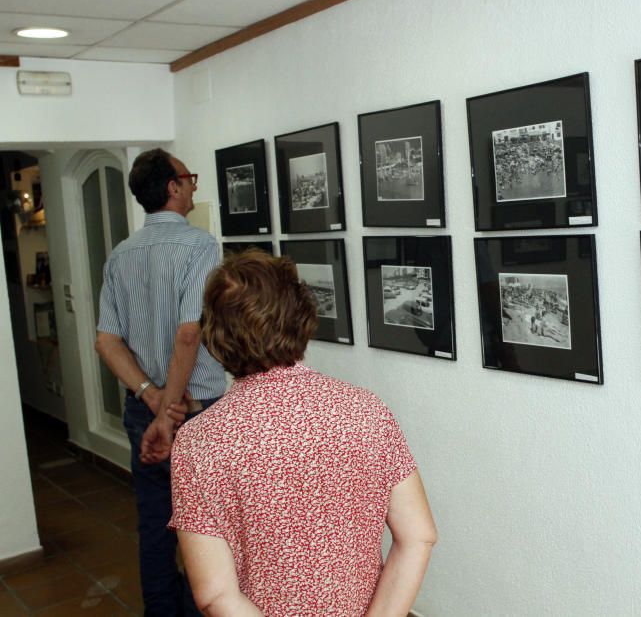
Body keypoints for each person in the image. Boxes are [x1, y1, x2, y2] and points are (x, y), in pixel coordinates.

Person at [169, 251, 437, 616]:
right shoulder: (367, 411)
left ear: (215, 335)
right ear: (304, 317)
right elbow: (418, 536)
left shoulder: (199, 442)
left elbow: (216, 595)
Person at [95, 148, 226, 615]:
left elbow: (106, 341)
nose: (193, 185)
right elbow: (189, 331)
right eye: (188, 178)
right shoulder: (200, 245)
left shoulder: (120, 254)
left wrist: (150, 399)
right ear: (172, 188)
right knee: (202, 524)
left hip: (142, 409)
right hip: (195, 409)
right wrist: (171, 410)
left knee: (154, 519)